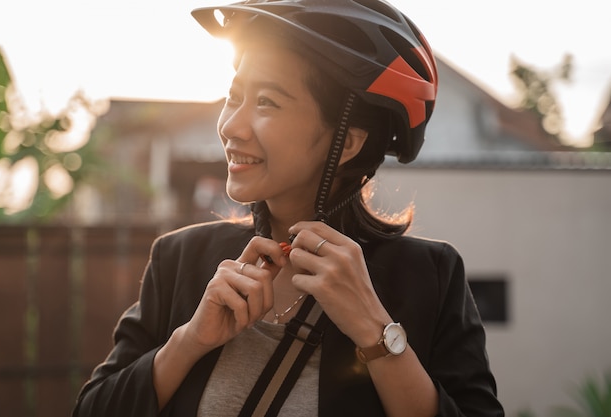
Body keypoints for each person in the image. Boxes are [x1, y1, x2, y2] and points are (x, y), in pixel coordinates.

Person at [73, 0, 504, 415]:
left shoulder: (429, 277)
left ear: (347, 142)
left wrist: (376, 331)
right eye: (234, 97)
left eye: (267, 102)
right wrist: (189, 341)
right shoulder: (181, 260)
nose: (231, 126)